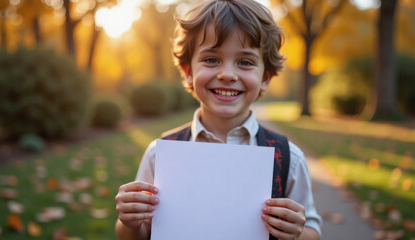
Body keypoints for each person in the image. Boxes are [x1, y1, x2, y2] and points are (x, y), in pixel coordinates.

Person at [115, 0, 322, 239]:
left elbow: (313, 231)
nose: (227, 75)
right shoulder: (159, 155)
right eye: (212, 59)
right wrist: (129, 221)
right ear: (188, 72)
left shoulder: (289, 158)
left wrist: (297, 233)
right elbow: (135, 234)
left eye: (245, 62)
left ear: (265, 77)